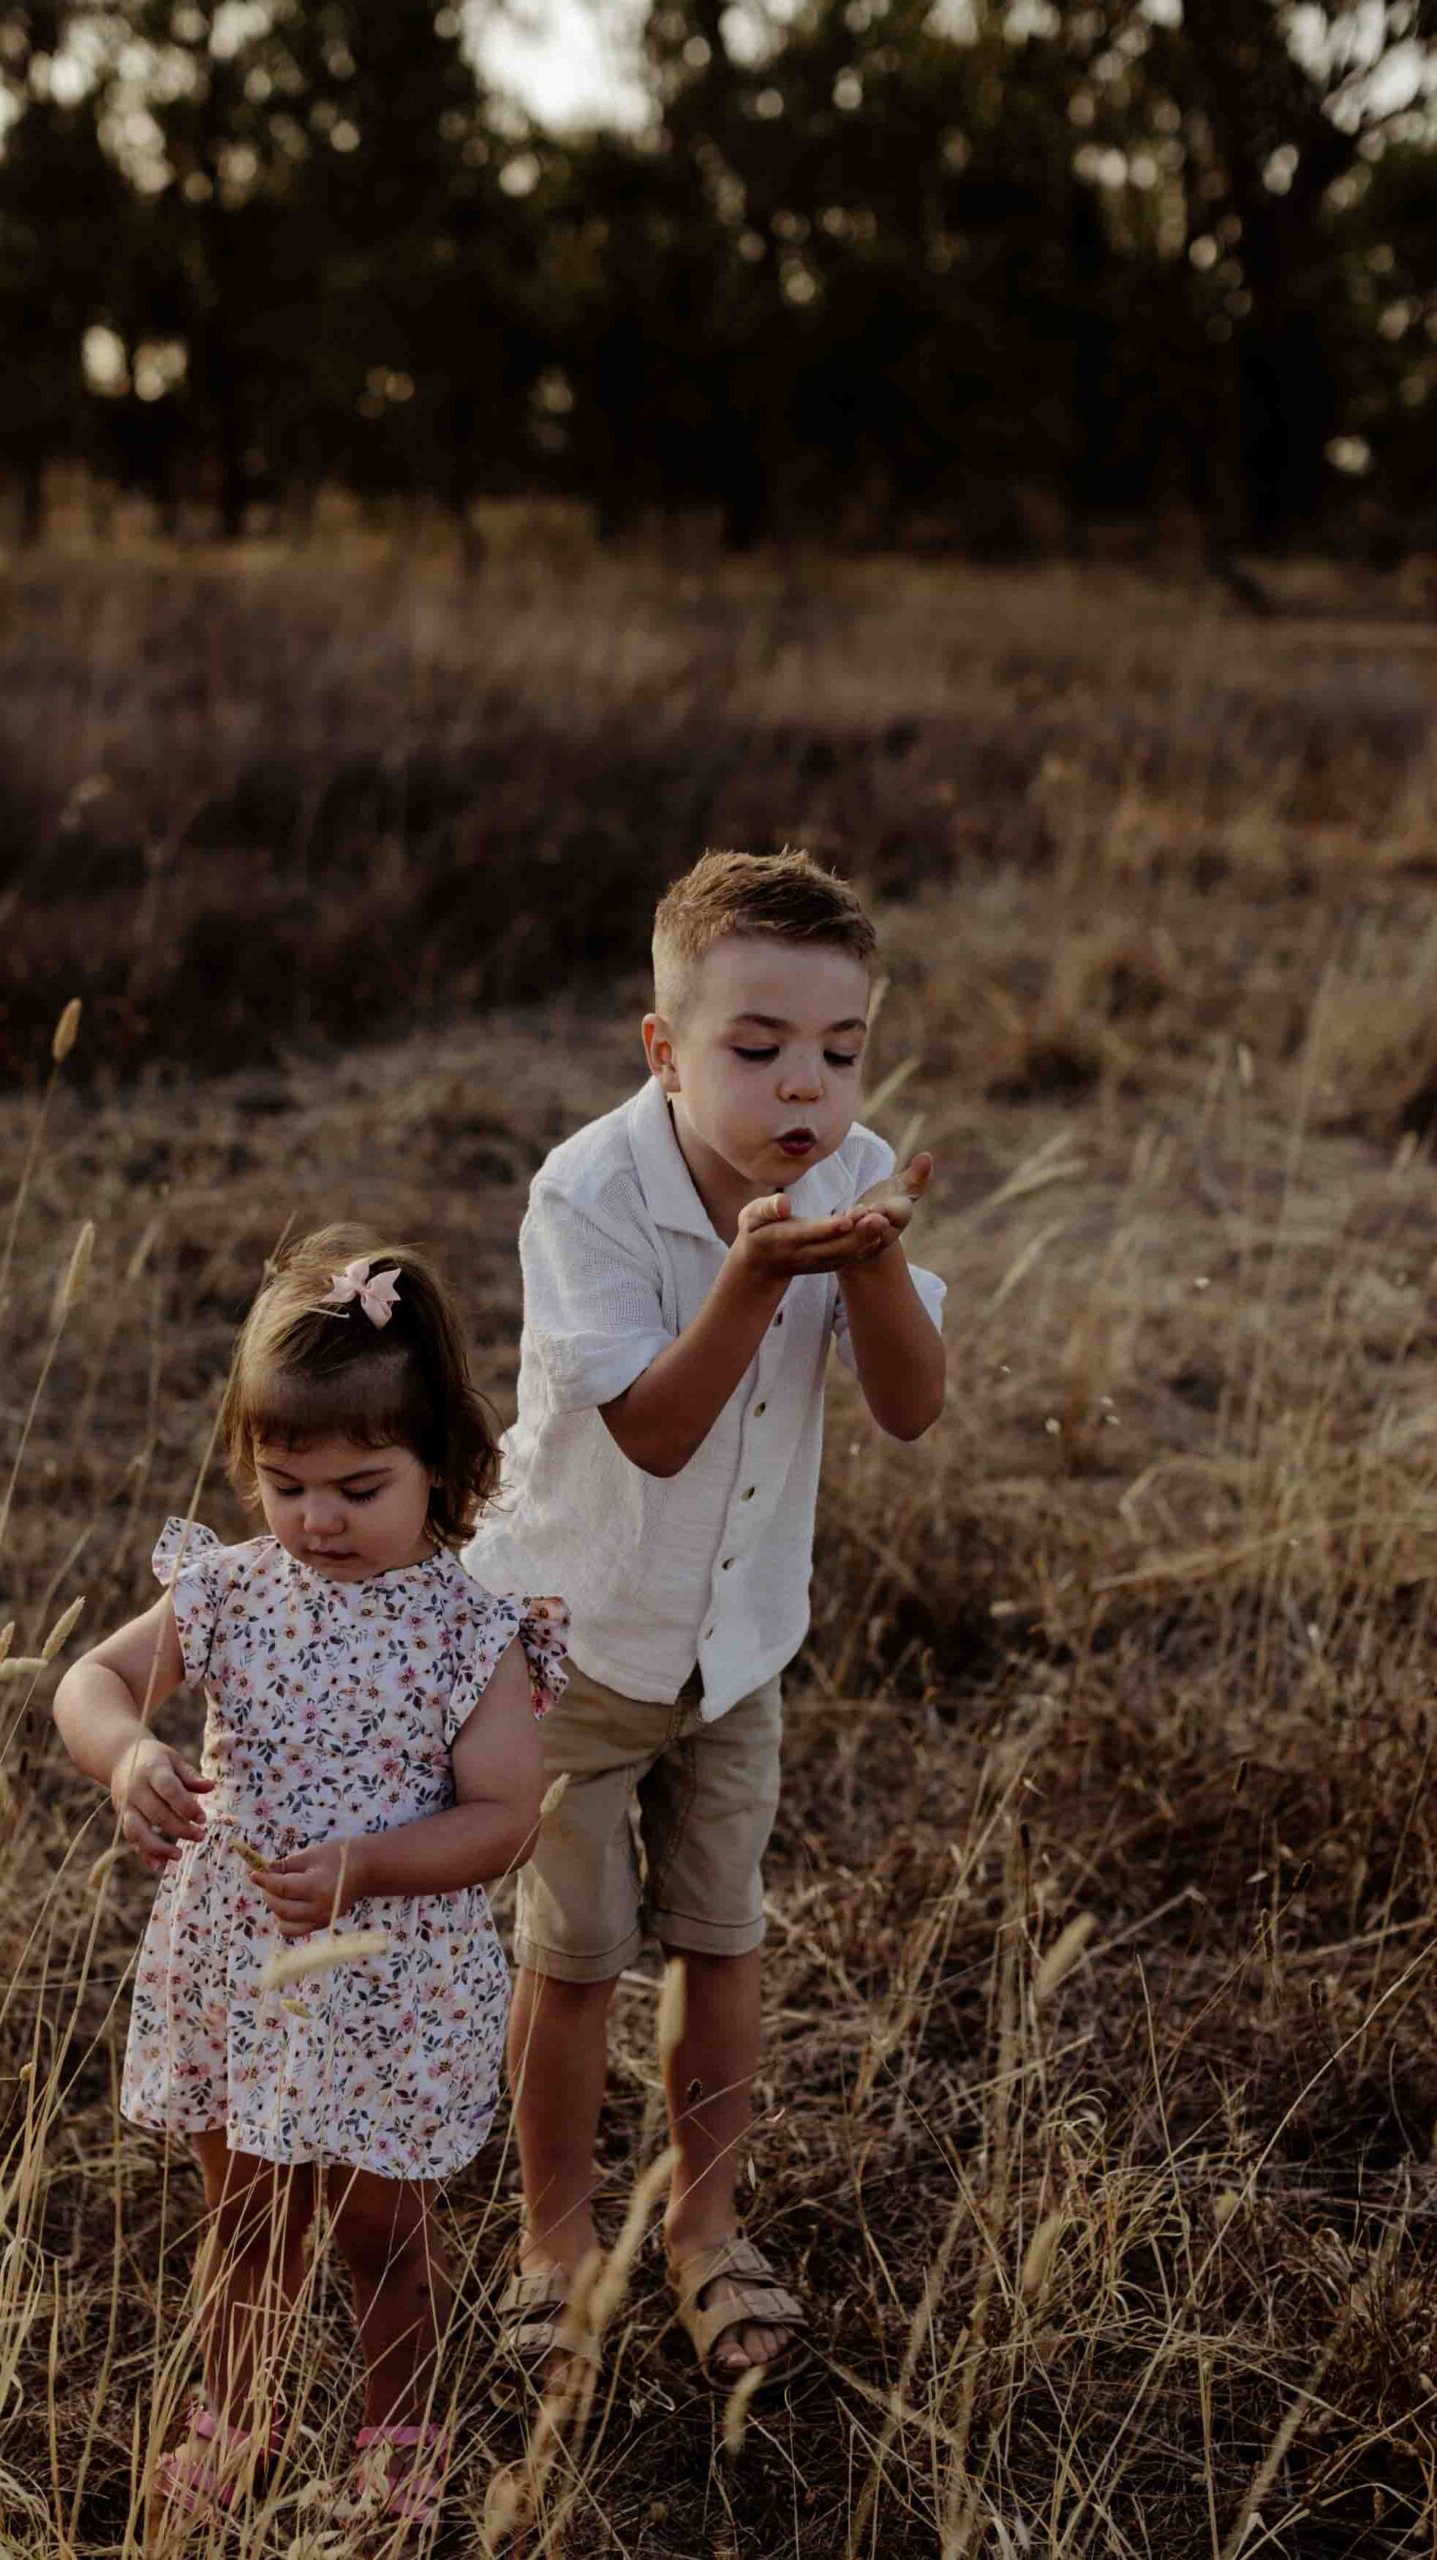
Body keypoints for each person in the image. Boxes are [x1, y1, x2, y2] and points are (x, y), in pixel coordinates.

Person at [463, 846, 945, 2393]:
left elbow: (911, 1405)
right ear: (663, 1050)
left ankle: (705, 2228)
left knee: (717, 1937)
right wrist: (752, 1276)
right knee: (578, 1953)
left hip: (733, 1648)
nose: (804, 1084)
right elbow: (657, 1432)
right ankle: (553, 2241)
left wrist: (865, 1263)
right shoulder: (588, 1192)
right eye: (755, 1049)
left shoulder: (849, 1172)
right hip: (578, 1641)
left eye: (839, 1048)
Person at [53, 1226, 566, 2530]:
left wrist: (369, 1864)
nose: (316, 1519)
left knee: (380, 2239)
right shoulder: (231, 1591)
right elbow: (91, 1681)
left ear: (438, 1467)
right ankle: (233, 2417)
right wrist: (125, 1762)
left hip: (385, 1984)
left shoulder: (464, 1634)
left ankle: (399, 2434)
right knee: (247, 2226)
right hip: (242, 1966)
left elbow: (505, 1816)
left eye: (356, 1485)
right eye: (285, 1484)